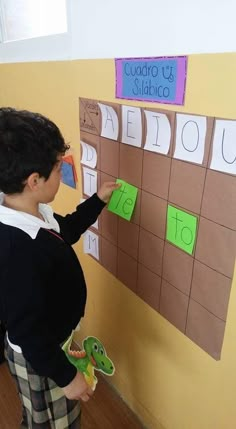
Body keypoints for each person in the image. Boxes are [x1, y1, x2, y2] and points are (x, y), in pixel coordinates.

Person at [0, 107, 119, 429]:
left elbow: (65, 230)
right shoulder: (17, 249)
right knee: (53, 422)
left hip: (52, 343)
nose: (63, 171)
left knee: (42, 417)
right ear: (34, 181)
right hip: (40, 356)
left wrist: (97, 201)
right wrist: (67, 377)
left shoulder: (32, 212)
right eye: (58, 169)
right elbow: (26, 330)